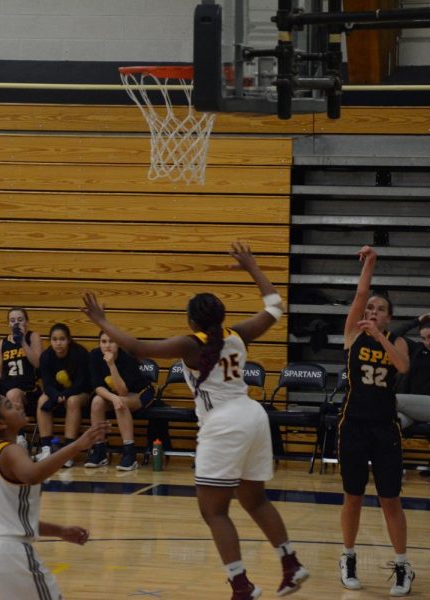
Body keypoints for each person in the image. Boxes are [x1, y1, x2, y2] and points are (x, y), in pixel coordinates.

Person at [82, 241, 309, 600]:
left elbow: (139, 349)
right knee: (255, 500)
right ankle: (291, 563)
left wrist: (101, 321)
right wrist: (252, 267)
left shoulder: (191, 344)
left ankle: (241, 586)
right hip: (253, 415)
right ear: (220, 315)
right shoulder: (238, 333)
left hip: (224, 423)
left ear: (191, 320)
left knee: (214, 511)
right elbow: (276, 307)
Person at [0, 392, 109, 600]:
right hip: (8, 553)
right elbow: (33, 475)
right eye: (9, 406)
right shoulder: (11, 451)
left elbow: (10, 520)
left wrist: (60, 531)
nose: (19, 406)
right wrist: (76, 445)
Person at [338, 246, 414, 596]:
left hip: (385, 427)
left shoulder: (396, 340)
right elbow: (361, 292)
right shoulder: (352, 334)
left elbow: (403, 367)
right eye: (370, 308)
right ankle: (348, 557)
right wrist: (371, 262)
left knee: (390, 499)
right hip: (353, 425)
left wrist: (381, 336)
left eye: (380, 310)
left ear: (388, 317)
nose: (372, 311)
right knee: (352, 496)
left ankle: (402, 566)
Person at [84, 330, 155, 471]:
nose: (107, 345)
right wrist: (113, 397)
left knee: (120, 402)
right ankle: (99, 451)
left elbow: (123, 391)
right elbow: (97, 387)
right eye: (103, 342)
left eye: (111, 341)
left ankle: (130, 453)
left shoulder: (127, 357)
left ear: (118, 344)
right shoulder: (94, 355)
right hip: (114, 395)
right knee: (96, 402)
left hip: (140, 393)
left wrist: (111, 365)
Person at [34, 323, 91, 464]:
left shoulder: (80, 354)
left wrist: (63, 396)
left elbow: (81, 384)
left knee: (72, 400)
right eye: (54, 339)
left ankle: (68, 451)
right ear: (50, 341)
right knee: (42, 400)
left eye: (62, 339)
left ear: (69, 340)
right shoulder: (46, 356)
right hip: (57, 394)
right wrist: (56, 397)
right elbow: (46, 385)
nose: (58, 343)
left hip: (81, 392)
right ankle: (46, 448)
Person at [0, 307, 42, 446]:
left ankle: (20, 437)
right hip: (7, 385)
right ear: (8, 323)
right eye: (12, 320)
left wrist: (23, 342)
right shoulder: (2, 343)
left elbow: (37, 363)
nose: (16, 323)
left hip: (27, 388)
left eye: (20, 320)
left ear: (27, 322)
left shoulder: (33, 337)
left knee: (13, 394)